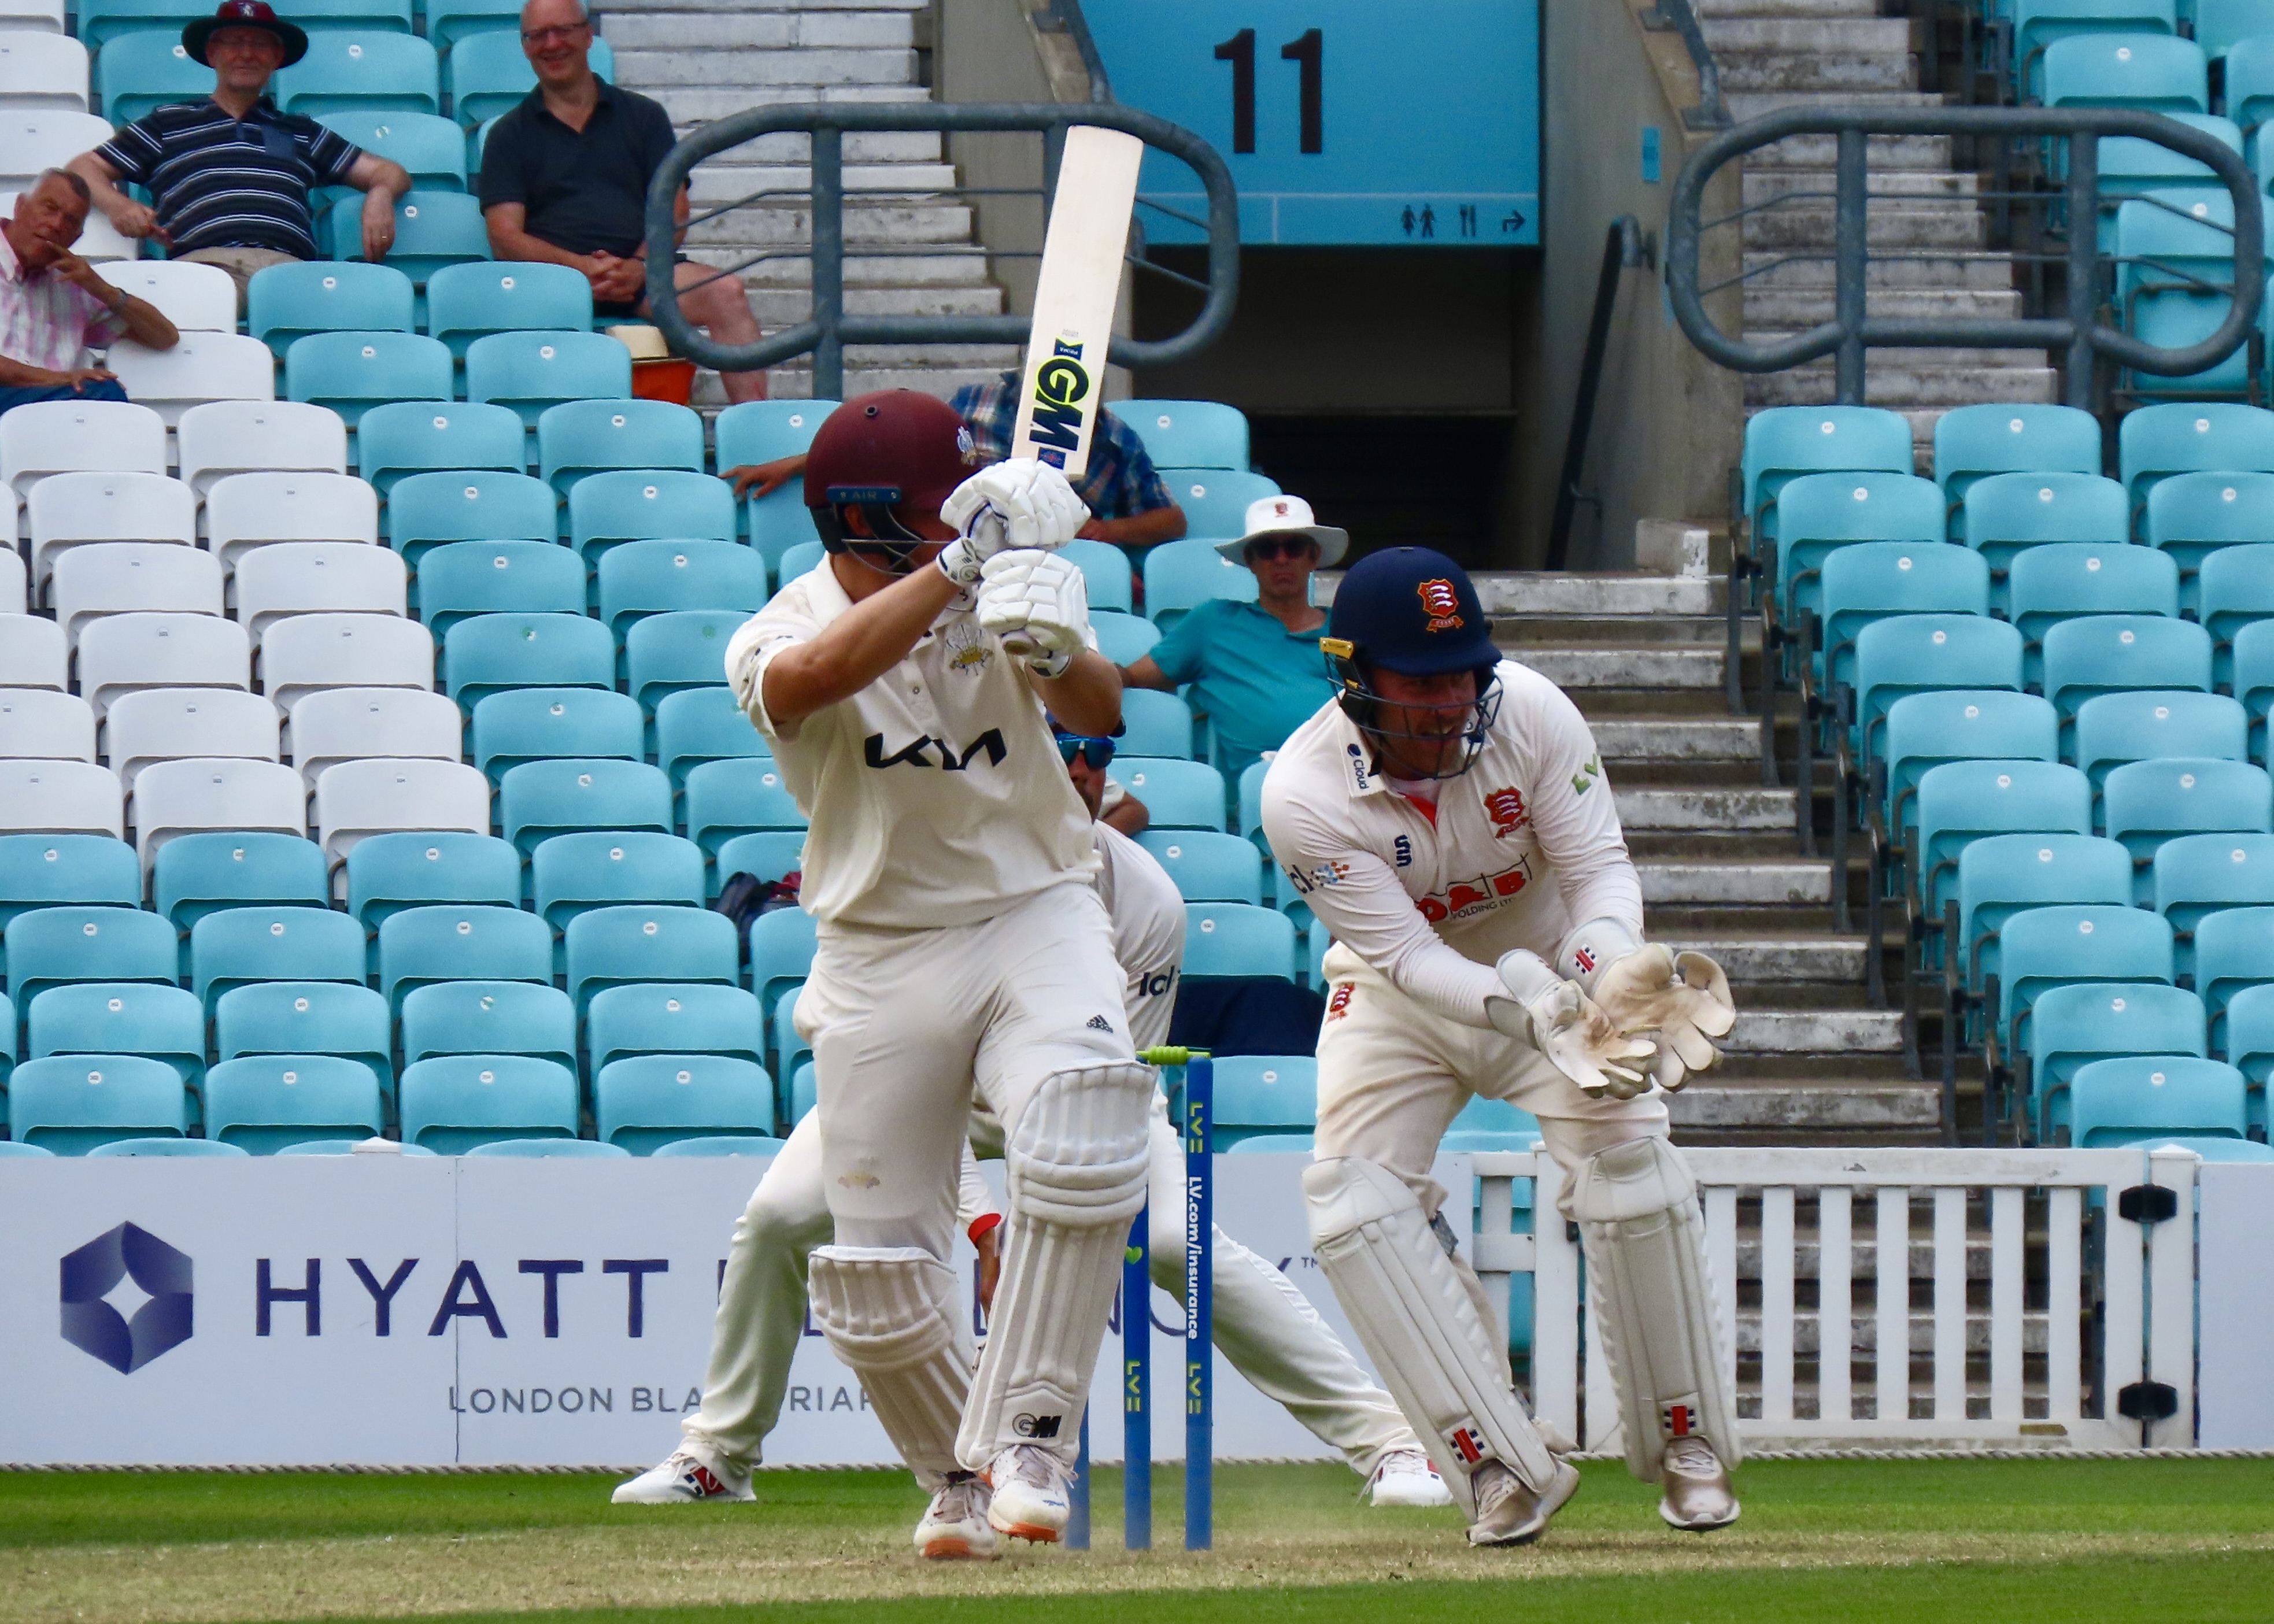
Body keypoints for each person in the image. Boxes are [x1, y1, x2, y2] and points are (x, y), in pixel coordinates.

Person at [612, 722, 1451, 1537]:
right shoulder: (918, 868)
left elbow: (1105, 1092)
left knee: (1175, 1242)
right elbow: (915, 1092)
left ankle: (1389, 1442)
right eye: (1062, 748)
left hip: (1089, 1096)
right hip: (914, 1090)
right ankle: (719, 1454)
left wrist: (1041, 1218)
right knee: (777, 1218)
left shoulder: (1146, 899)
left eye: (1096, 752)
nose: (1082, 768)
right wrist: (984, 1222)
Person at [716, 389, 1141, 1555]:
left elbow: (1100, 707)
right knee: (871, 1275)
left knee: (1083, 1131)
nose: (957, 520)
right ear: (865, 521)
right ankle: (956, 1478)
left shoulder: (995, 580)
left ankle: (1034, 1439)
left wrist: (1051, 641)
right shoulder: (775, 631)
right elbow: (809, 682)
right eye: (933, 508)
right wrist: (962, 566)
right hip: (879, 944)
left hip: (1032, 908)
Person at [1261, 546, 1742, 1547]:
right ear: (1354, 676)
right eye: (1421, 680)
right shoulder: (1301, 793)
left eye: (1463, 673)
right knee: (1354, 1202)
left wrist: (1607, 969)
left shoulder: (1530, 710)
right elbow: (1407, 955)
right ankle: (1492, 1459)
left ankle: (1685, 1439)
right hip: (1400, 997)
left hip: (1560, 975)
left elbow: (1597, 868)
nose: (1450, 701)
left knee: (1634, 1173)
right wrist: (1521, 1011)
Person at [479, 0, 770, 404]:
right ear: (525, 47)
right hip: (553, 282)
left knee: (726, 293)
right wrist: (580, 268)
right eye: (538, 35)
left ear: (588, 35)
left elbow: (676, 211)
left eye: (563, 30)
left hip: (644, 274)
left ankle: (756, 430)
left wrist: (639, 266)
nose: (552, 44)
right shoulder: (508, 135)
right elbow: (504, 237)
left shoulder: (644, 117)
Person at [68, 1, 412, 312]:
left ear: (276, 58)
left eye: (260, 45)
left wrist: (381, 194)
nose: (247, 54)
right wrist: (118, 205)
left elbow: (388, 171)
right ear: (213, 54)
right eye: (234, 43)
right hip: (205, 271)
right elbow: (83, 167)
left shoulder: (301, 130)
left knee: (357, 314)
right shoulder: (168, 122)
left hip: (289, 274)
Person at [724, 375, 1187, 549]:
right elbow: (900, 448)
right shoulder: (979, 400)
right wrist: (798, 464)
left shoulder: (1116, 438)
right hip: (958, 540)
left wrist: (1107, 531)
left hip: (1051, 555)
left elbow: (1170, 519)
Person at [1123, 494, 1342, 779]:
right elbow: (1134, 677)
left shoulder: (1347, 628)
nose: (1281, 559)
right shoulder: (1213, 623)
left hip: (1343, 778)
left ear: (1314, 557)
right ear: (1250, 560)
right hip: (1263, 787)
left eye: (1294, 547)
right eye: (1267, 549)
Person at [0, 171, 179, 416]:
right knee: (101, 393)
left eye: (71, 221)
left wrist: (101, 289)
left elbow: (165, 337)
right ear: (20, 206)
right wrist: (61, 378)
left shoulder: (73, 287)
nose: (57, 225)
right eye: (50, 208)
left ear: (76, 238)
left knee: (105, 395)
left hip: (51, 412)